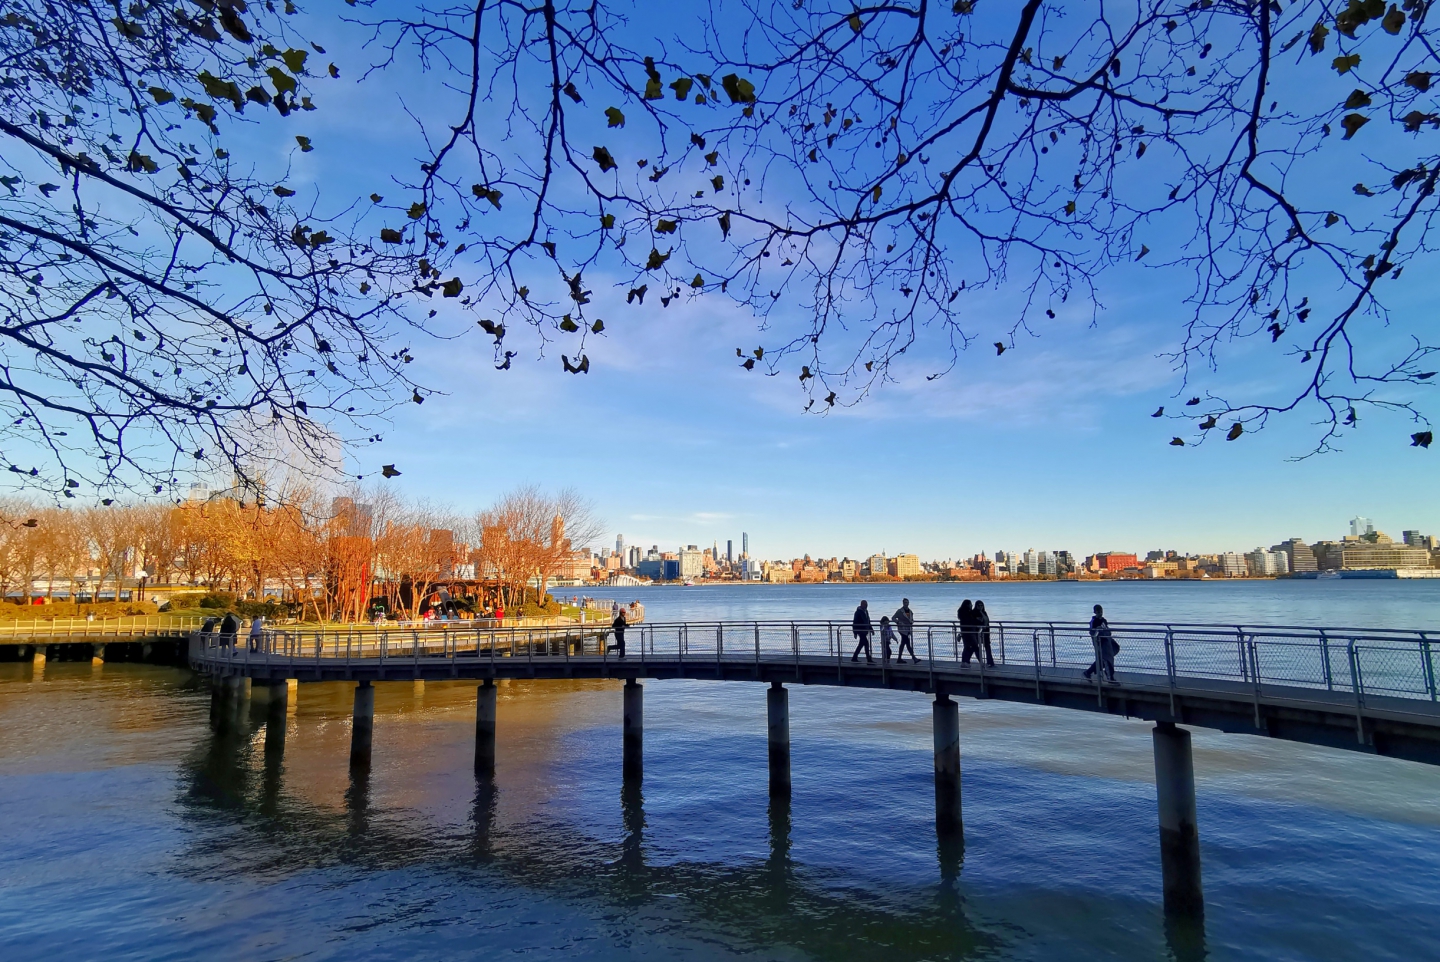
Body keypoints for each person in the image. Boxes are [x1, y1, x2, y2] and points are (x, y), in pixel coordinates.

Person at [1085, 604, 1119, 682]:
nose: (1100, 613)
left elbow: (1108, 631)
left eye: (1101, 611)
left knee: (1104, 659)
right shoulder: (1094, 621)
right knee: (1106, 659)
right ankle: (1110, 677)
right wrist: (1098, 631)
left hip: (1107, 642)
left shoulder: (1104, 620)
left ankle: (1088, 672)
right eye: (1098, 612)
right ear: (1095, 612)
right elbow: (1092, 632)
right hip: (1100, 643)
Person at [957, 600, 981, 665]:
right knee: (975, 647)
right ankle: (981, 662)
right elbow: (970, 621)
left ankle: (965, 662)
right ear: (967, 605)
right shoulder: (967, 613)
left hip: (965, 632)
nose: (971, 606)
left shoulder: (962, 613)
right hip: (970, 632)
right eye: (971, 604)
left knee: (968, 647)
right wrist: (977, 620)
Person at [893, 598, 917, 664]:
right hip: (902, 629)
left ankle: (899, 658)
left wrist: (912, 622)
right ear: (903, 603)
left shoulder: (910, 611)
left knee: (903, 644)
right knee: (907, 644)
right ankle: (914, 658)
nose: (906, 604)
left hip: (908, 629)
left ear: (908, 603)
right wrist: (898, 622)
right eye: (905, 602)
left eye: (907, 602)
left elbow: (911, 619)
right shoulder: (900, 611)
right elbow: (893, 618)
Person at [973, 600, 995, 667]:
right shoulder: (974, 613)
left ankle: (990, 662)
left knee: (987, 646)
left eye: (981, 605)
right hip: (978, 632)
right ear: (976, 606)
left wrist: (981, 613)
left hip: (986, 632)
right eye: (979, 605)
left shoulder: (984, 612)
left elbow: (987, 621)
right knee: (976, 647)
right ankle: (981, 661)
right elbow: (975, 622)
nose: (980, 607)